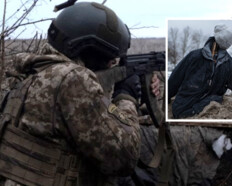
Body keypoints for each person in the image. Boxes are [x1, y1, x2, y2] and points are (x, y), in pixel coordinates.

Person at [0, 2, 158, 186]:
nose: (110, 64)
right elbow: (124, 158)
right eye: (109, 60)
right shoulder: (73, 79)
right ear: (90, 50)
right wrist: (127, 96)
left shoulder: (23, 72)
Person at [168, 25, 232, 119]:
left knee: (216, 98)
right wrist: (166, 97)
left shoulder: (229, 66)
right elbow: (175, 79)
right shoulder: (194, 57)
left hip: (202, 105)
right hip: (182, 108)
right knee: (216, 99)